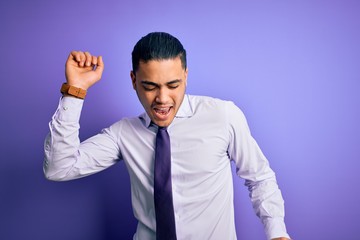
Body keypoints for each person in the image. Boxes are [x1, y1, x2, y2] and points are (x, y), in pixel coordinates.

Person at [44, 32, 291, 240]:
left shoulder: (223, 116)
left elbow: (259, 178)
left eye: (173, 85)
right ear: (133, 80)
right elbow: (59, 168)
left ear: (185, 76)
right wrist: (75, 92)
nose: (162, 98)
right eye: (150, 86)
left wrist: (277, 233)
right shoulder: (124, 133)